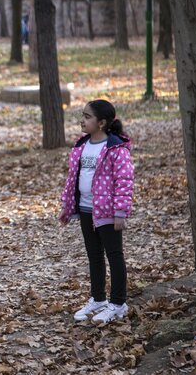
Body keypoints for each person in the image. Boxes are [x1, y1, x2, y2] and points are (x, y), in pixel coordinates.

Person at [59, 99, 134, 323]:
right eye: (82, 115)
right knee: (94, 256)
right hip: (85, 209)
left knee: (114, 255)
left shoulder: (115, 148)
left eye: (87, 116)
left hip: (107, 212)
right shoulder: (81, 145)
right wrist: (67, 205)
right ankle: (98, 299)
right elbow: (72, 178)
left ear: (101, 123)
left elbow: (124, 181)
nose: (82, 120)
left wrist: (120, 212)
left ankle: (118, 303)